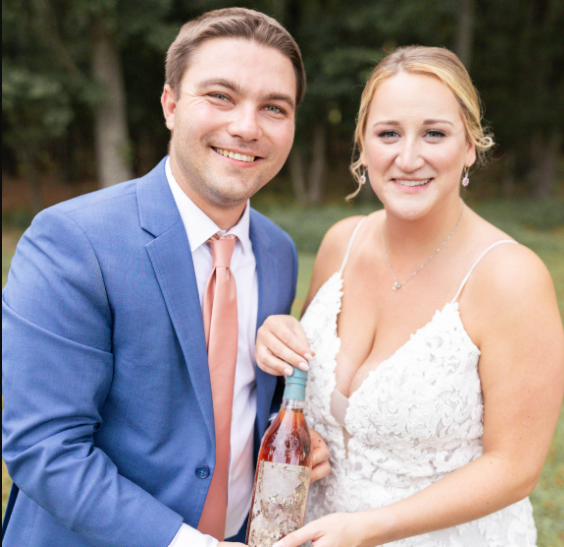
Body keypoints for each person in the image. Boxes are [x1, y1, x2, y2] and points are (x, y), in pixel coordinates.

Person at [2, 8, 330, 547]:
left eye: (274, 107)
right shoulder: (71, 240)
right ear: (171, 104)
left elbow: (230, 402)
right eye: (220, 96)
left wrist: (288, 437)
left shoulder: (277, 252)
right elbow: (45, 448)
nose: (246, 126)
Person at [254, 46, 564, 547]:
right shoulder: (341, 243)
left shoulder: (510, 278)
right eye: (388, 134)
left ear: (470, 147)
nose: (408, 157)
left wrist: (372, 528)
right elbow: (307, 404)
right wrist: (278, 343)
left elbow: (515, 467)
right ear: (363, 147)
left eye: (435, 134)